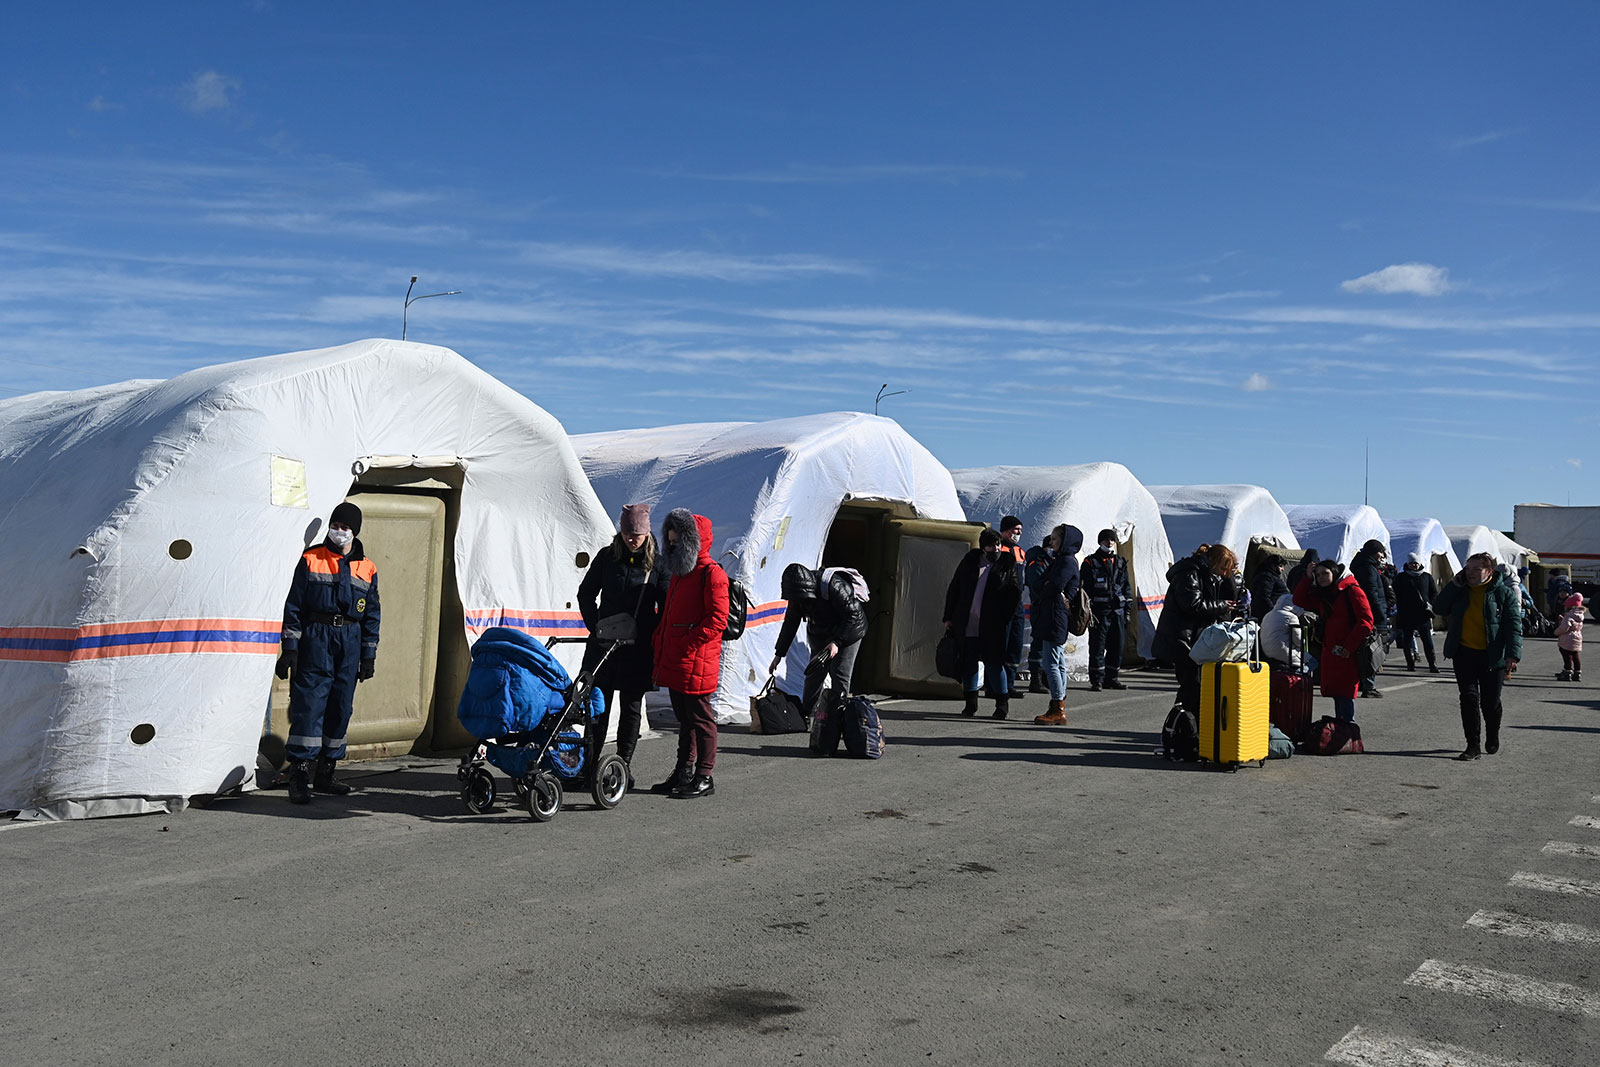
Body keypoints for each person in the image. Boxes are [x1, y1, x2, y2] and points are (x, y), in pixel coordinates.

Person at [274, 501, 380, 805]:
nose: (339, 531)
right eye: (336, 525)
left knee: (340, 706)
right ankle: (300, 775)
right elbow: (293, 607)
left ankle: (326, 773)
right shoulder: (311, 559)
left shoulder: (368, 567)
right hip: (316, 637)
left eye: (345, 527)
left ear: (355, 531)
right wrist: (290, 649)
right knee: (309, 705)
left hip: (350, 639)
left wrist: (368, 655)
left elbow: (372, 614)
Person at [577, 503, 667, 791]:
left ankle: (622, 767)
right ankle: (589, 768)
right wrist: (596, 626)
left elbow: (665, 606)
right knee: (596, 709)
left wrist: (649, 632)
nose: (632, 538)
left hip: (637, 650)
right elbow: (585, 594)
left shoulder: (658, 564)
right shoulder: (607, 557)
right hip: (603, 646)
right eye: (628, 532)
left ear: (647, 533)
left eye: (638, 534)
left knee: (631, 708)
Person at [651, 508, 730, 799]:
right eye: (670, 542)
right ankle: (684, 770)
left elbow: (718, 619)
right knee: (685, 720)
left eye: (677, 542)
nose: (671, 546)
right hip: (679, 657)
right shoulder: (680, 574)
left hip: (696, 657)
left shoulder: (712, 574)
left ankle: (704, 775)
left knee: (701, 718)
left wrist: (687, 641)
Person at [1432, 552, 1522, 760]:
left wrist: (1513, 654)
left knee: (1490, 703)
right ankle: (1472, 745)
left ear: (1489, 571)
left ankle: (1492, 735)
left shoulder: (1503, 594)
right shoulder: (1460, 591)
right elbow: (1439, 607)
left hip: (1493, 656)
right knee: (1469, 698)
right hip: (1464, 653)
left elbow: (1513, 626)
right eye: (1468, 568)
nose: (1470, 573)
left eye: (1476, 569)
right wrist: (1453, 585)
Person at [768, 562, 869, 727]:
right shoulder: (797, 595)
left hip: (849, 631)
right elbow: (790, 624)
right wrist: (779, 654)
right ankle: (806, 715)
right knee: (814, 674)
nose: (798, 603)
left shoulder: (833, 585)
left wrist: (837, 642)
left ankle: (838, 718)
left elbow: (853, 615)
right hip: (821, 632)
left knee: (840, 674)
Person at [1152, 543, 1239, 720]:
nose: (1223, 573)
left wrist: (1232, 575)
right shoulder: (1189, 573)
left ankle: (1188, 725)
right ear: (1212, 561)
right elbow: (1192, 604)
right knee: (1192, 685)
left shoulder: (1206, 574)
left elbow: (1230, 595)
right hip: (1183, 638)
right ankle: (1184, 726)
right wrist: (1221, 606)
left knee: (1194, 686)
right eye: (1223, 568)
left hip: (1195, 637)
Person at [943, 528, 1024, 718]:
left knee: (995, 664)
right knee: (969, 663)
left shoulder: (1007, 562)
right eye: (990, 545)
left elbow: (1015, 592)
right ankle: (970, 703)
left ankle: (1002, 704)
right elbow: (955, 588)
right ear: (983, 546)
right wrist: (948, 616)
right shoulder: (970, 561)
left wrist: (1006, 618)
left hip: (993, 624)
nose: (995, 548)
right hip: (968, 620)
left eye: (998, 544)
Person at [1293, 559, 1372, 723]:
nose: (1321, 577)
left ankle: (1348, 733)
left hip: (1346, 653)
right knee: (1338, 694)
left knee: (1345, 694)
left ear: (1335, 573)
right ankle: (1343, 733)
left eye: (1325, 573)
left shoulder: (1352, 590)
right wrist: (1308, 578)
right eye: (1318, 574)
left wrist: (1348, 647)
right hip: (1332, 652)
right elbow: (1299, 600)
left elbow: (1366, 621)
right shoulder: (1327, 594)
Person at [1031, 525, 1083, 725]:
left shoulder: (1066, 562)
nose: (1051, 542)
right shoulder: (1062, 561)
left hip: (1054, 616)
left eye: (1055, 539)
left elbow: (1051, 587)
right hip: (1054, 614)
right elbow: (1041, 584)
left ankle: (1058, 706)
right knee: (1058, 660)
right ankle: (1059, 702)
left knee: (1051, 662)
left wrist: (1044, 586)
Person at [1080, 528, 1131, 691]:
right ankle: (1097, 680)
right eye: (1106, 540)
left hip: (1117, 612)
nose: (1109, 543)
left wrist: (1128, 610)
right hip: (1098, 613)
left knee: (1117, 646)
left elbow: (1126, 589)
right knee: (1097, 646)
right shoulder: (1090, 562)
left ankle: (1112, 677)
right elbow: (1084, 590)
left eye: (1112, 540)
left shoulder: (1121, 562)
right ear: (1100, 542)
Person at [1348, 539, 1390, 698]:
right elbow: (1372, 594)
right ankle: (1369, 685)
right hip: (1372, 616)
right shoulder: (1369, 569)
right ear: (1374, 552)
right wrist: (1380, 613)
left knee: (1364, 650)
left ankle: (1362, 682)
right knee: (1372, 651)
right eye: (1380, 552)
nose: (1382, 556)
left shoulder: (1360, 566)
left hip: (1363, 614)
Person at [1392, 553, 1439, 673]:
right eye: (1411, 563)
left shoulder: (1427, 577)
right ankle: (1410, 663)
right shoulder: (1401, 577)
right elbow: (1395, 593)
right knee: (1407, 640)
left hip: (1423, 614)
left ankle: (1432, 664)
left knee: (1427, 640)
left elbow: (1434, 593)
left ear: (1420, 564)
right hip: (1406, 613)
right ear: (1408, 564)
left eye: (1416, 563)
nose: (1414, 565)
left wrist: (1430, 604)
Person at [998, 516, 1028, 699]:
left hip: (1017, 604)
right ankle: (997, 684)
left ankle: (1009, 684)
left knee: (1015, 645)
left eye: (1021, 530)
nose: (1019, 533)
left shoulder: (1020, 552)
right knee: (1001, 644)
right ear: (1006, 529)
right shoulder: (997, 549)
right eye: (1016, 529)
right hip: (1002, 603)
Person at [1024, 536, 1053, 694]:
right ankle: (1035, 678)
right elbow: (1038, 587)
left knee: (1048, 643)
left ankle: (1045, 677)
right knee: (1038, 644)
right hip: (1040, 607)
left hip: (1049, 608)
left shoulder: (1050, 561)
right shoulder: (1037, 563)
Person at [1260, 592, 1315, 672]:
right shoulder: (1290, 617)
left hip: (1268, 652)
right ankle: (1298, 675)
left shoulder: (1268, 615)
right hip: (1284, 652)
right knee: (1313, 662)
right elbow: (1298, 640)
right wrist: (1303, 642)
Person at [1249, 555, 1290, 623]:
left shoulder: (1271, 576)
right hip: (1267, 614)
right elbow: (1264, 596)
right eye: (1280, 566)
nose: (1282, 569)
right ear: (1273, 566)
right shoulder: (1267, 577)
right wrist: (1273, 611)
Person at [1554, 592, 1584, 682]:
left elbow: (1565, 628)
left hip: (1568, 639)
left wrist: (1556, 632)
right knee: (1575, 655)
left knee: (1566, 655)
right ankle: (1577, 672)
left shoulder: (1568, 616)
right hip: (1577, 638)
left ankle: (1568, 672)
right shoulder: (1580, 616)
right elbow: (1573, 625)